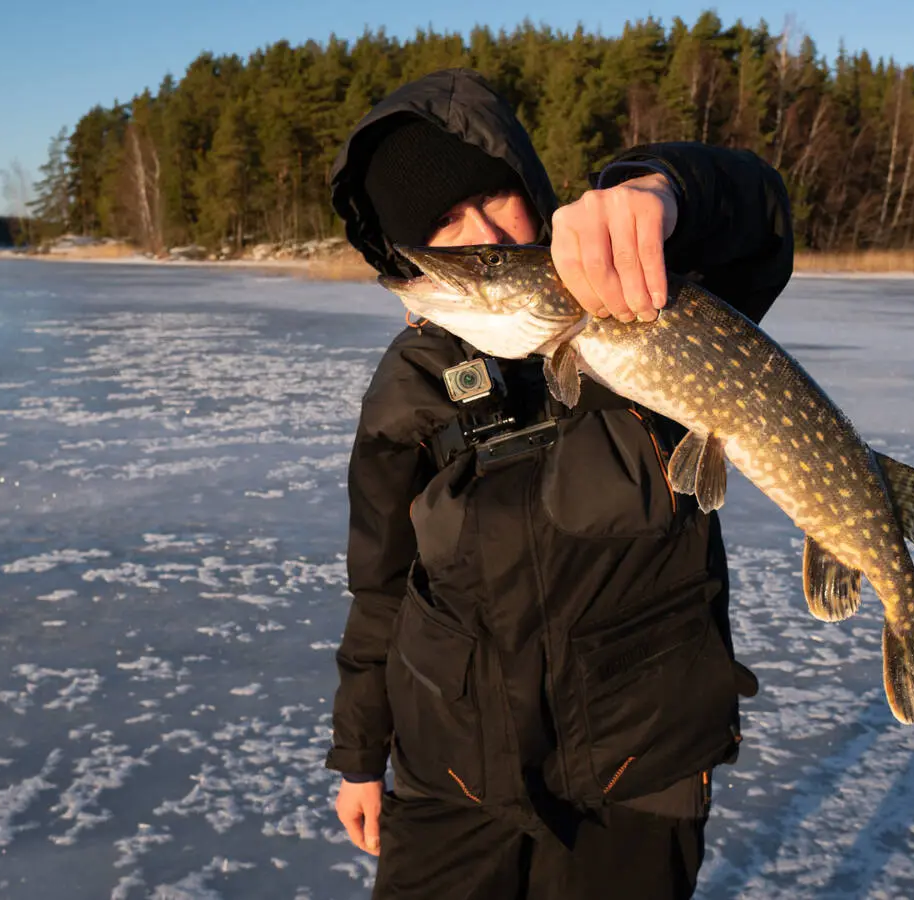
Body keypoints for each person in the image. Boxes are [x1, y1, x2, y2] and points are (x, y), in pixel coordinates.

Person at [324, 67, 794, 899]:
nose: (485, 235)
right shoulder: (408, 388)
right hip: (453, 777)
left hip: (637, 775)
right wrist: (361, 757)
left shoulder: (645, 302)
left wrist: (657, 190)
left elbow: (761, 213)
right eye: (443, 223)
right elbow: (382, 587)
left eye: (495, 197)